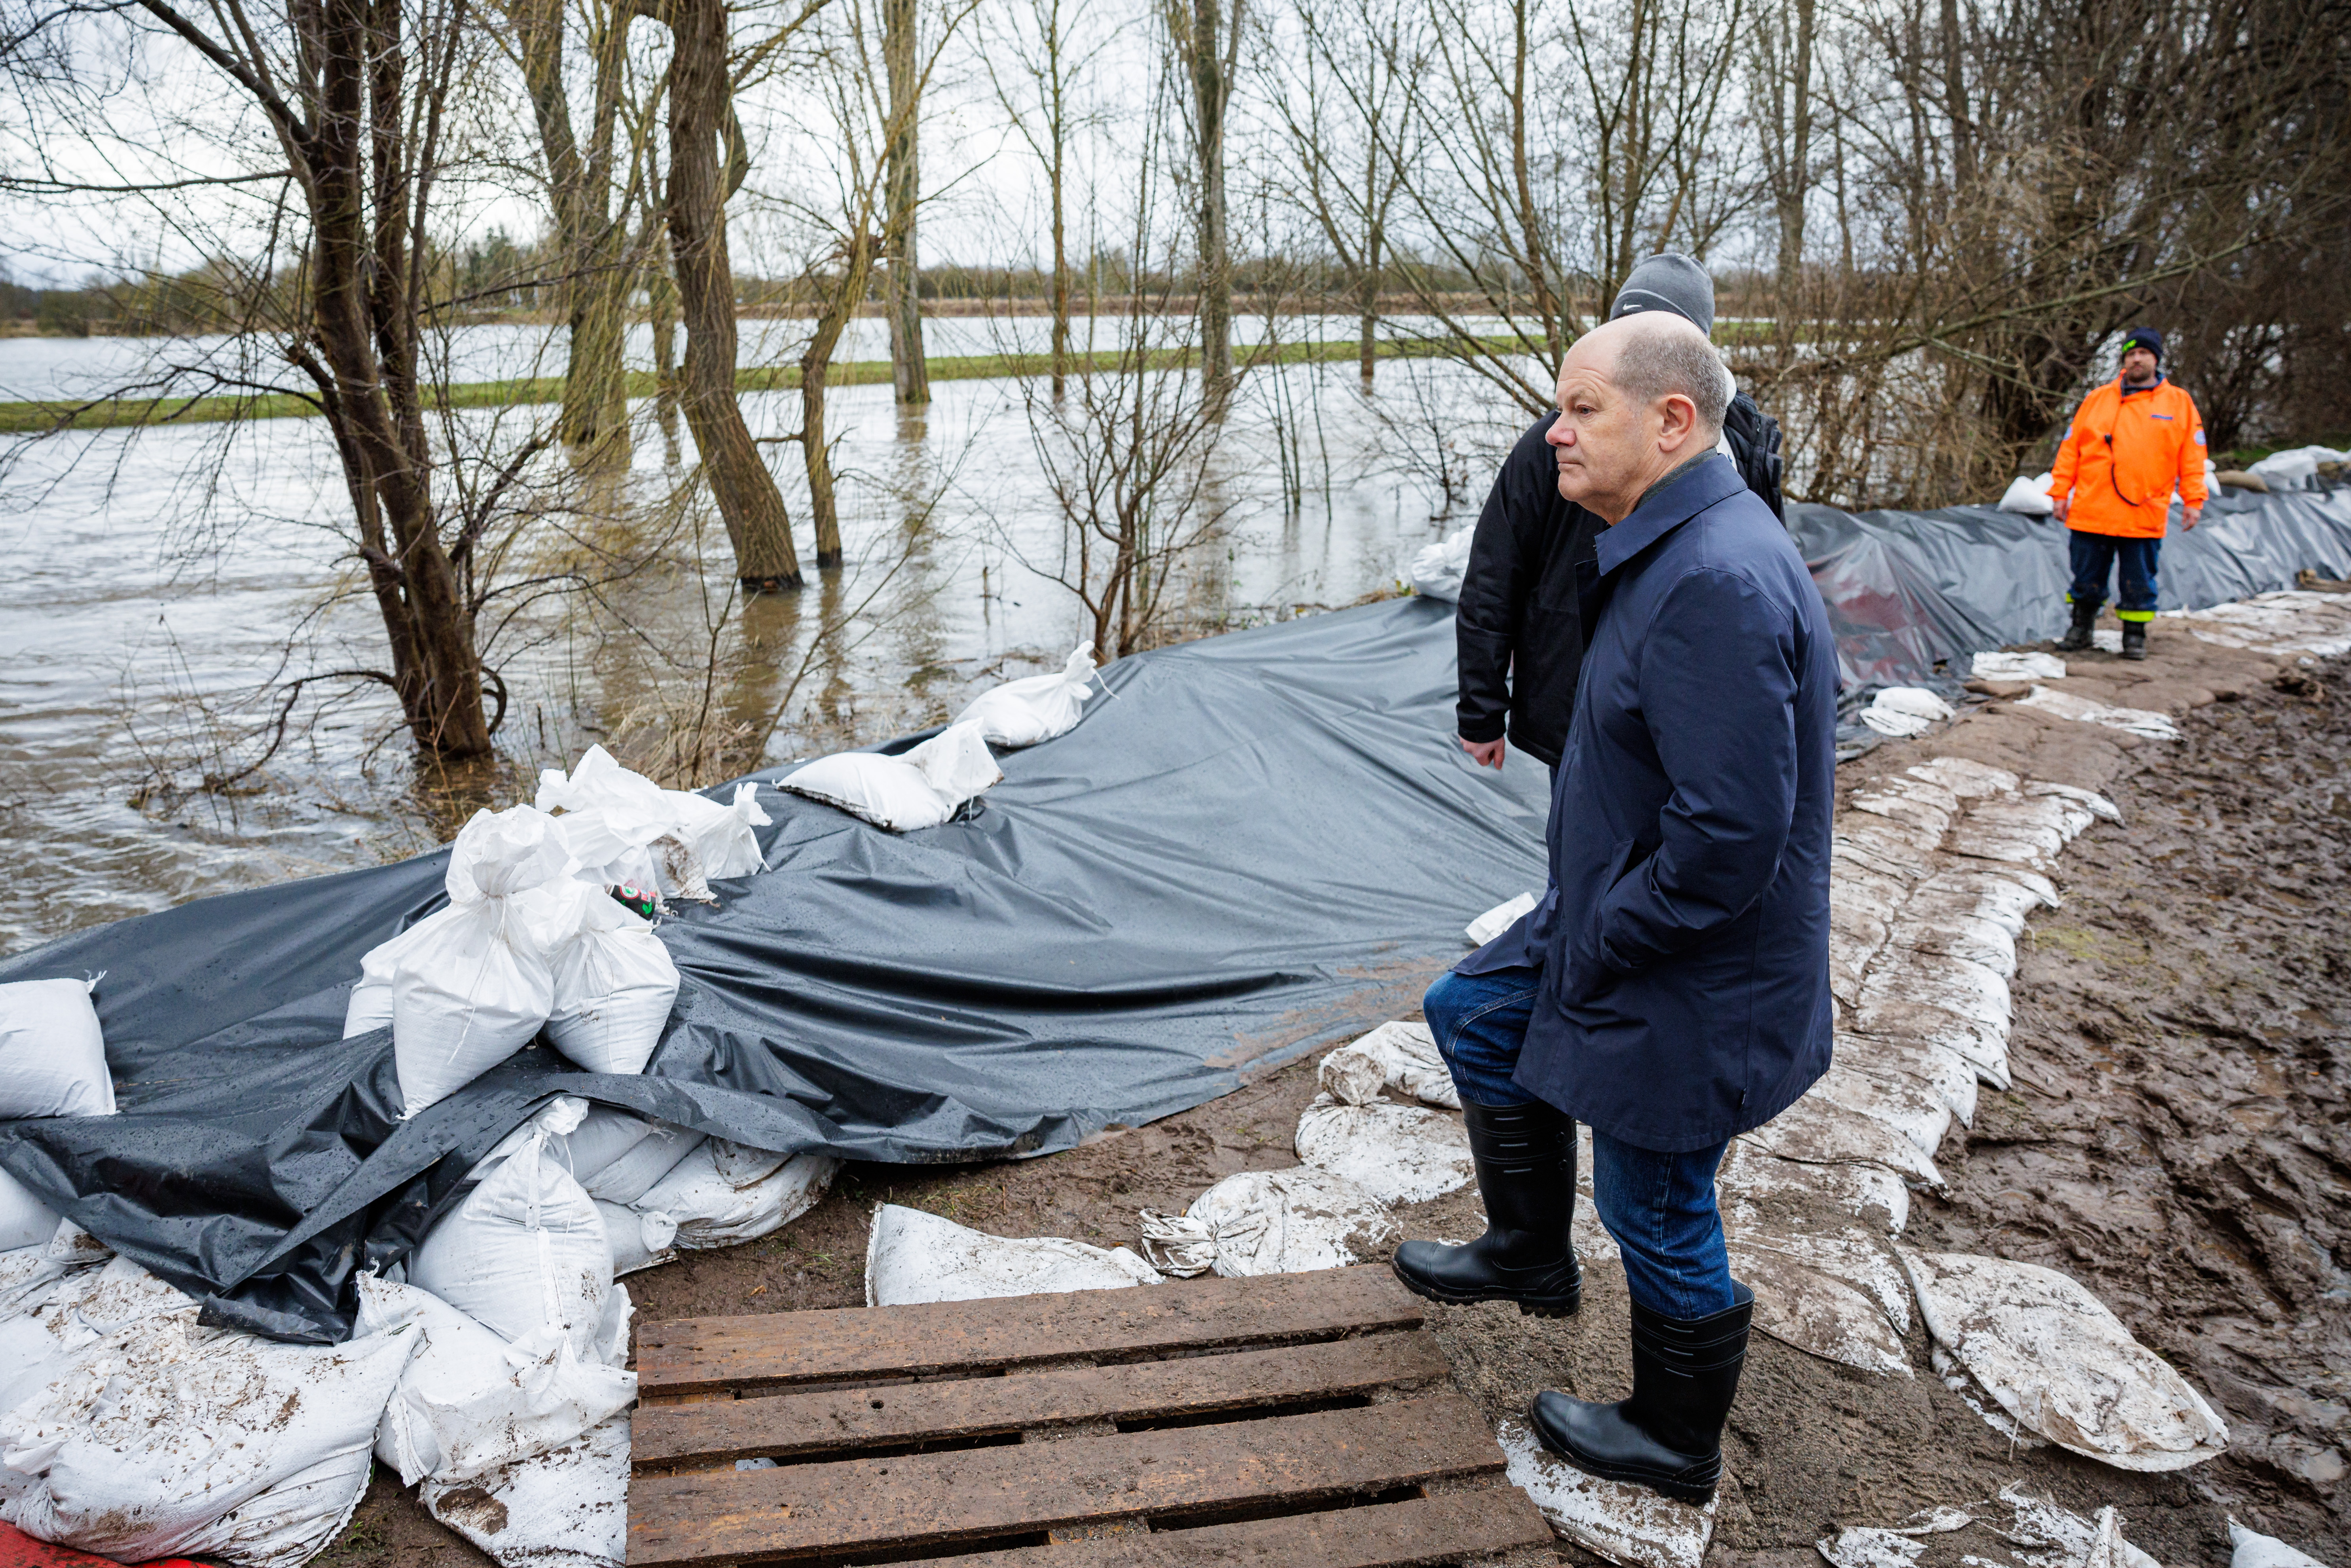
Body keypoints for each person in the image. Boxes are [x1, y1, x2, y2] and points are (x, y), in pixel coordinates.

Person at [1390, 311, 1837, 1506]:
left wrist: (1602, 939)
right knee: (1473, 1008)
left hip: (1693, 958)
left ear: (1672, 420)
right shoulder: (1662, 540)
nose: (1555, 433)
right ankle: (1530, 1250)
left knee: (1656, 1195)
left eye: (1582, 408)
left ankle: (1673, 1436)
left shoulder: (1718, 580)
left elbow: (1731, 838)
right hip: (1620, 908)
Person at [1454, 253, 1785, 774]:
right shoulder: (1552, 444)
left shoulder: (1746, 442)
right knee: (1585, 841)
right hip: (1575, 701)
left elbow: (1766, 576)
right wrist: (1481, 710)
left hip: (1690, 704)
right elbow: (1494, 574)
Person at [2048, 327, 2207, 661]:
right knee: (2085, 577)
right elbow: (2070, 448)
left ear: (2156, 358)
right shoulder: (2097, 399)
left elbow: (2192, 457)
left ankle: (2134, 637)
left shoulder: (2178, 403)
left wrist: (2194, 499)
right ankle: (2081, 629)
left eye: (2143, 353)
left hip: (2143, 510)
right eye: (2131, 354)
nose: (2136, 359)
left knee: (2139, 580)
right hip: (2093, 509)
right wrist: (2060, 491)